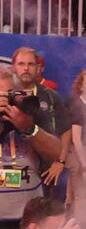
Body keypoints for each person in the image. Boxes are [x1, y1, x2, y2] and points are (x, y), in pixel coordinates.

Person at [0, 68, 65, 229]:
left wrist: (29, 128)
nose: (4, 101)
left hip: (29, 223)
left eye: (8, 94)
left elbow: (57, 152)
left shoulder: (29, 116)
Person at [11, 47, 71, 192]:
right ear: (13, 67)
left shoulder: (50, 95)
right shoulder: (5, 95)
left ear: (38, 68)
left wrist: (60, 161)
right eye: (21, 64)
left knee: (45, 212)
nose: (26, 68)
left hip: (46, 170)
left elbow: (66, 129)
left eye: (31, 64)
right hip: (12, 168)